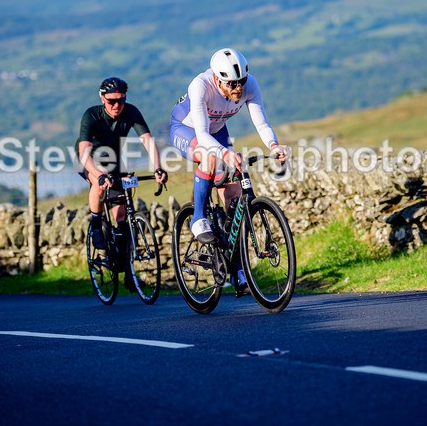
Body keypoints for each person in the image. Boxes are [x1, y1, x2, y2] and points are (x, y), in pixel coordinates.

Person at [170, 48, 289, 294]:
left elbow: (262, 122)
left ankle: (236, 267)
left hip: (217, 131)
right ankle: (198, 218)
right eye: (231, 83)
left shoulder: (249, 85)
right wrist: (224, 153)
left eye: (241, 81)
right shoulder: (200, 86)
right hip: (187, 129)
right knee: (209, 159)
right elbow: (202, 136)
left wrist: (274, 145)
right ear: (217, 78)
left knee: (234, 194)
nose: (238, 88)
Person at [76, 77, 167, 248]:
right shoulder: (92, 115)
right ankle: (96, 225)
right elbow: (83, 153)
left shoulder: (131, 112)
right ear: (102, 98)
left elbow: (147, 140)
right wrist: (100, 175)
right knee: (99, 183)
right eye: (111, 101)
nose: (116, 106)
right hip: (88, 158)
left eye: (121, 100)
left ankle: (122, 254)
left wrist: (158, 168)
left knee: (122, 209)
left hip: (113, 158)